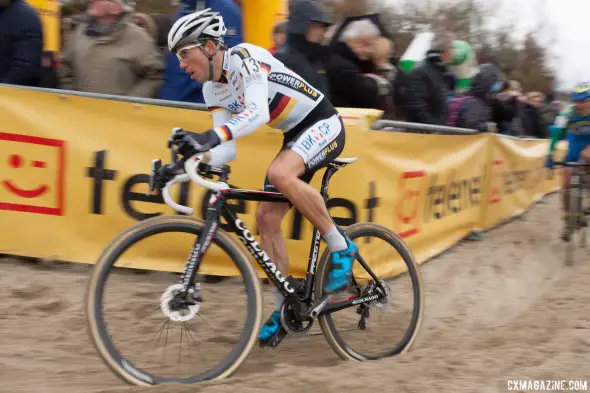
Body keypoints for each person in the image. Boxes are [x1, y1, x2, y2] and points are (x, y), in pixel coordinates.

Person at [166, 9, 358, 346]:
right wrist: (188, 160)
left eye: (185, 53)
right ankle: (286, 309)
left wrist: (212, 136)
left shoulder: (247, 58)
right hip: (294, 135)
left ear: (210, 46)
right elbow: (226, 152)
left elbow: (258, 113)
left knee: (279, 173)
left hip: (323, 122)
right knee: (265, 218)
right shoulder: (213, 89)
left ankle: (342, 248)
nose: (181, 64)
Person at [545, 81, 590, 241]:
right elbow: (556, 133)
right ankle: (568, 220)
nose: (580, 104)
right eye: (577, 100)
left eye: (584, 100)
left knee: (588, 155)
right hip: (573, 150)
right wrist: (550, 154)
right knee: (565, 185)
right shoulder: (567, 113)